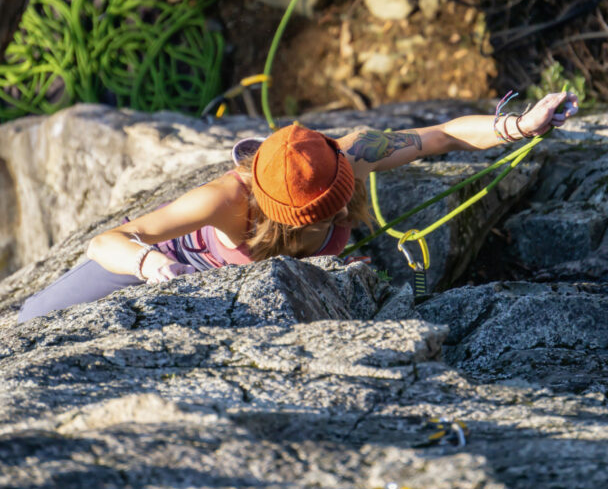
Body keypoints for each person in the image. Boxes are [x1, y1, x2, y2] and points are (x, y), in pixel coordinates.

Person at [18, 91, 578, 322]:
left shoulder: (348, 158)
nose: (339, 218)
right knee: (30, 320)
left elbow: (444, 136)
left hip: (259, 284)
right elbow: (108, 241)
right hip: (154, 268)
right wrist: (157, 267)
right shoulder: (225, 200)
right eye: (323, 217)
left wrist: (518, 125)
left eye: (336, 209)